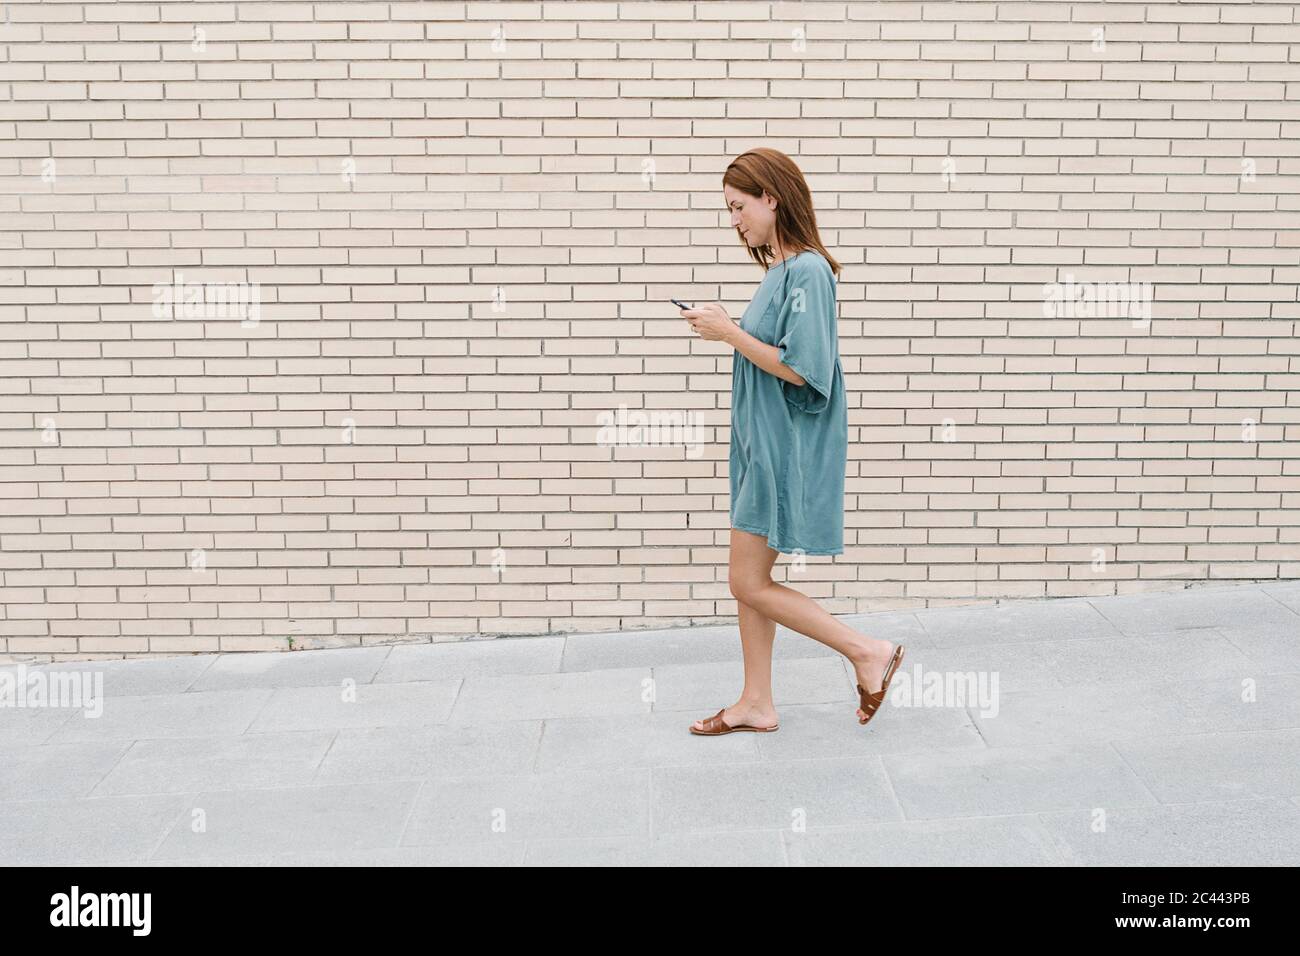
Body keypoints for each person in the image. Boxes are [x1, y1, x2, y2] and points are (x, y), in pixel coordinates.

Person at [678, 148, 904, 736]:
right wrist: (728, 324)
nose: (734, 221)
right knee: (747, 583)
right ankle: (756, 701)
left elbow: (805, 368)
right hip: (761, 444)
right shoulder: (779, 272)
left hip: (787, 448)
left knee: (746, 581)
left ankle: (866, 651)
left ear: (771, 198)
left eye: (738, 206)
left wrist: (727, 331)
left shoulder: (807, 271)